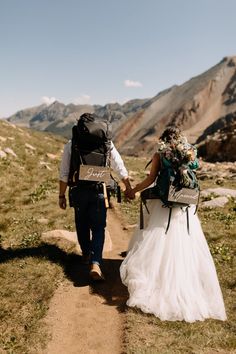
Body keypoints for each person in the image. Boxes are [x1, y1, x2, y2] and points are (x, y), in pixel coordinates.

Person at [120, 126, 227, 322]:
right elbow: (195, 170)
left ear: (163, 139)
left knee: (159, 240)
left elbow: (151, 178)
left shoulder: (160, 154)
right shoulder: (189, 152)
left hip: (165, 204)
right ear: (180, 138)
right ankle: (186, 284)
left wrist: (134, 190)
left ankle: (158, 281)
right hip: (184, 207)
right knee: (185, 243)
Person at [59, 114, 133, 281]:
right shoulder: (106, 143)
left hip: (78, 190)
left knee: (81, 223)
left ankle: (86, 254)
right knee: (99, 227)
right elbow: (119, 166)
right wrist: (128, 187)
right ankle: (96, 263)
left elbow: (64, 173)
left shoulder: (71, 144)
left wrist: (61, 195)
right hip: (100, 190)